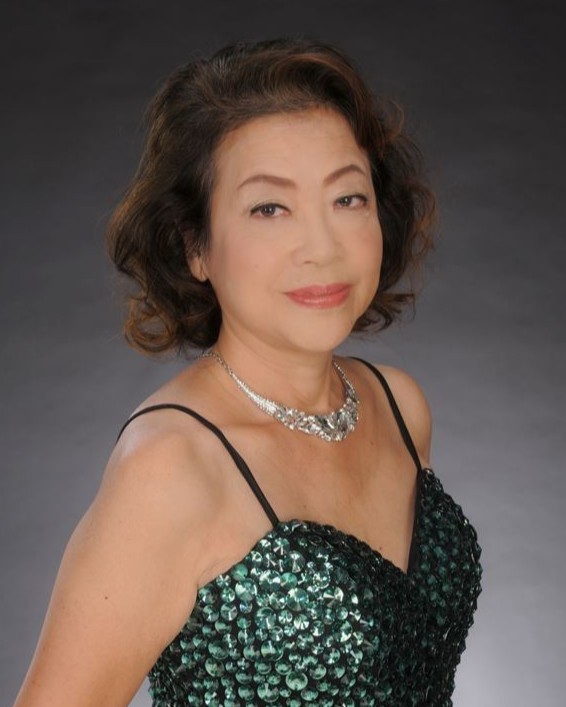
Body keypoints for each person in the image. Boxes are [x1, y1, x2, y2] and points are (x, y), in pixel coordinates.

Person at [14, 38, 482, 706]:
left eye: (347, 198)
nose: (321, 247)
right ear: (195, 246)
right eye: (269, 208)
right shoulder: (171, 465)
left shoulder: (399, 405)